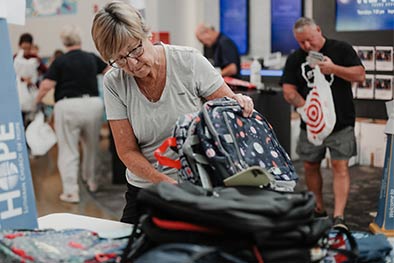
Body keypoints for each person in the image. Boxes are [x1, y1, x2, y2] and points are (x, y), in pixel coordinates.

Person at [91, 1, 254, 224]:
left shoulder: (189, 61)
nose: (132, 64)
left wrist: (239, 103)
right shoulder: (115, 82)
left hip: (197, 183)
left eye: (134, 49)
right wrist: (164, 183)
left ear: (147, 34)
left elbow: (228, 111)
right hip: (145, 187)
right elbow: (127, 151)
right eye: (119, 59)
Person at [281, 17, 365, 230]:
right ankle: (318, 208)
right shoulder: (295, 59)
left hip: (341, 122)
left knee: (340, 166)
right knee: (310, 165)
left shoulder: (341, 48)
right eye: (301, 43)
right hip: (310, 126)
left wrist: (334, 69)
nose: (307, 46)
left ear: (318, 30)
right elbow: (288, 89)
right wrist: (306, 110)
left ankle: (339, 216)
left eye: (310, 40)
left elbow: (360, 75)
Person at [36, 25, 109, 203]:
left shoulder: (60, 61)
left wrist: (36, 100)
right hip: (92, 104)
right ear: (80, 40)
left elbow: (47, 85)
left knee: (68, 149)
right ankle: (92, 181)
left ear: (64, 41)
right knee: (92, 146)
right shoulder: (91, 58)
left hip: (67, 105)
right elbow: (109, 72)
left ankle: (71, 192)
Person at [14, 33, 47, 127]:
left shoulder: (35, 59)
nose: (25, 51)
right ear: (19, 46)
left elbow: (47, 72)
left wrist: (32, 81)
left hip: (33, 94)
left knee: (34, 120)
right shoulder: (14, 59)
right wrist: (21, 78)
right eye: (23, 48)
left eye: (27, 48)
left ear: (31, 46)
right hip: (18, 94)